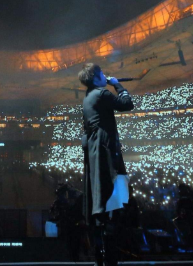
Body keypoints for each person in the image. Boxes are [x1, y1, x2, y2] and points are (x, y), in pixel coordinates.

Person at [78, 63, 134, 266]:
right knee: (113, 194)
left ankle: (100, 254)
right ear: (95, 78)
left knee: (100, 196)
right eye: (102, 73)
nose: (105, 75)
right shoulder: (102, 93)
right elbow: (127, 104)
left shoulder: (88, 98)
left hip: (95, 150)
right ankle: (110, 254)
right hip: (106, 149)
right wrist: (117, 85)